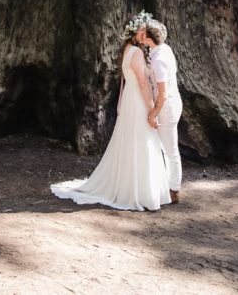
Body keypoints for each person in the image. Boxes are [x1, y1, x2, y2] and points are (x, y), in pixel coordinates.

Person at [50, 12, 172, 211]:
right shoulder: (138, 53)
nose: (145, 33)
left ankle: (141, 188)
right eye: (142, 30)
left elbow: (126, 80)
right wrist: (152, 110)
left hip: (132, 99)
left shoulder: (128, 50)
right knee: (141, 141)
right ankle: (139, 191)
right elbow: (142, 83)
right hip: (139, 100)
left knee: (136, 141)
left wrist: (122, 101)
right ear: (134, 33)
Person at [139, 20, 182, 204]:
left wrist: (153, 113)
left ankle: (174, 190)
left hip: (167, 107)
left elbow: (162, 94)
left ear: (149, 38)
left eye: (144, 32)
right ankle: (164, 184)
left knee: (170, 150)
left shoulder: (159, 60)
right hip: (168, 103)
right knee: (164, 148)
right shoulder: (163, 49)